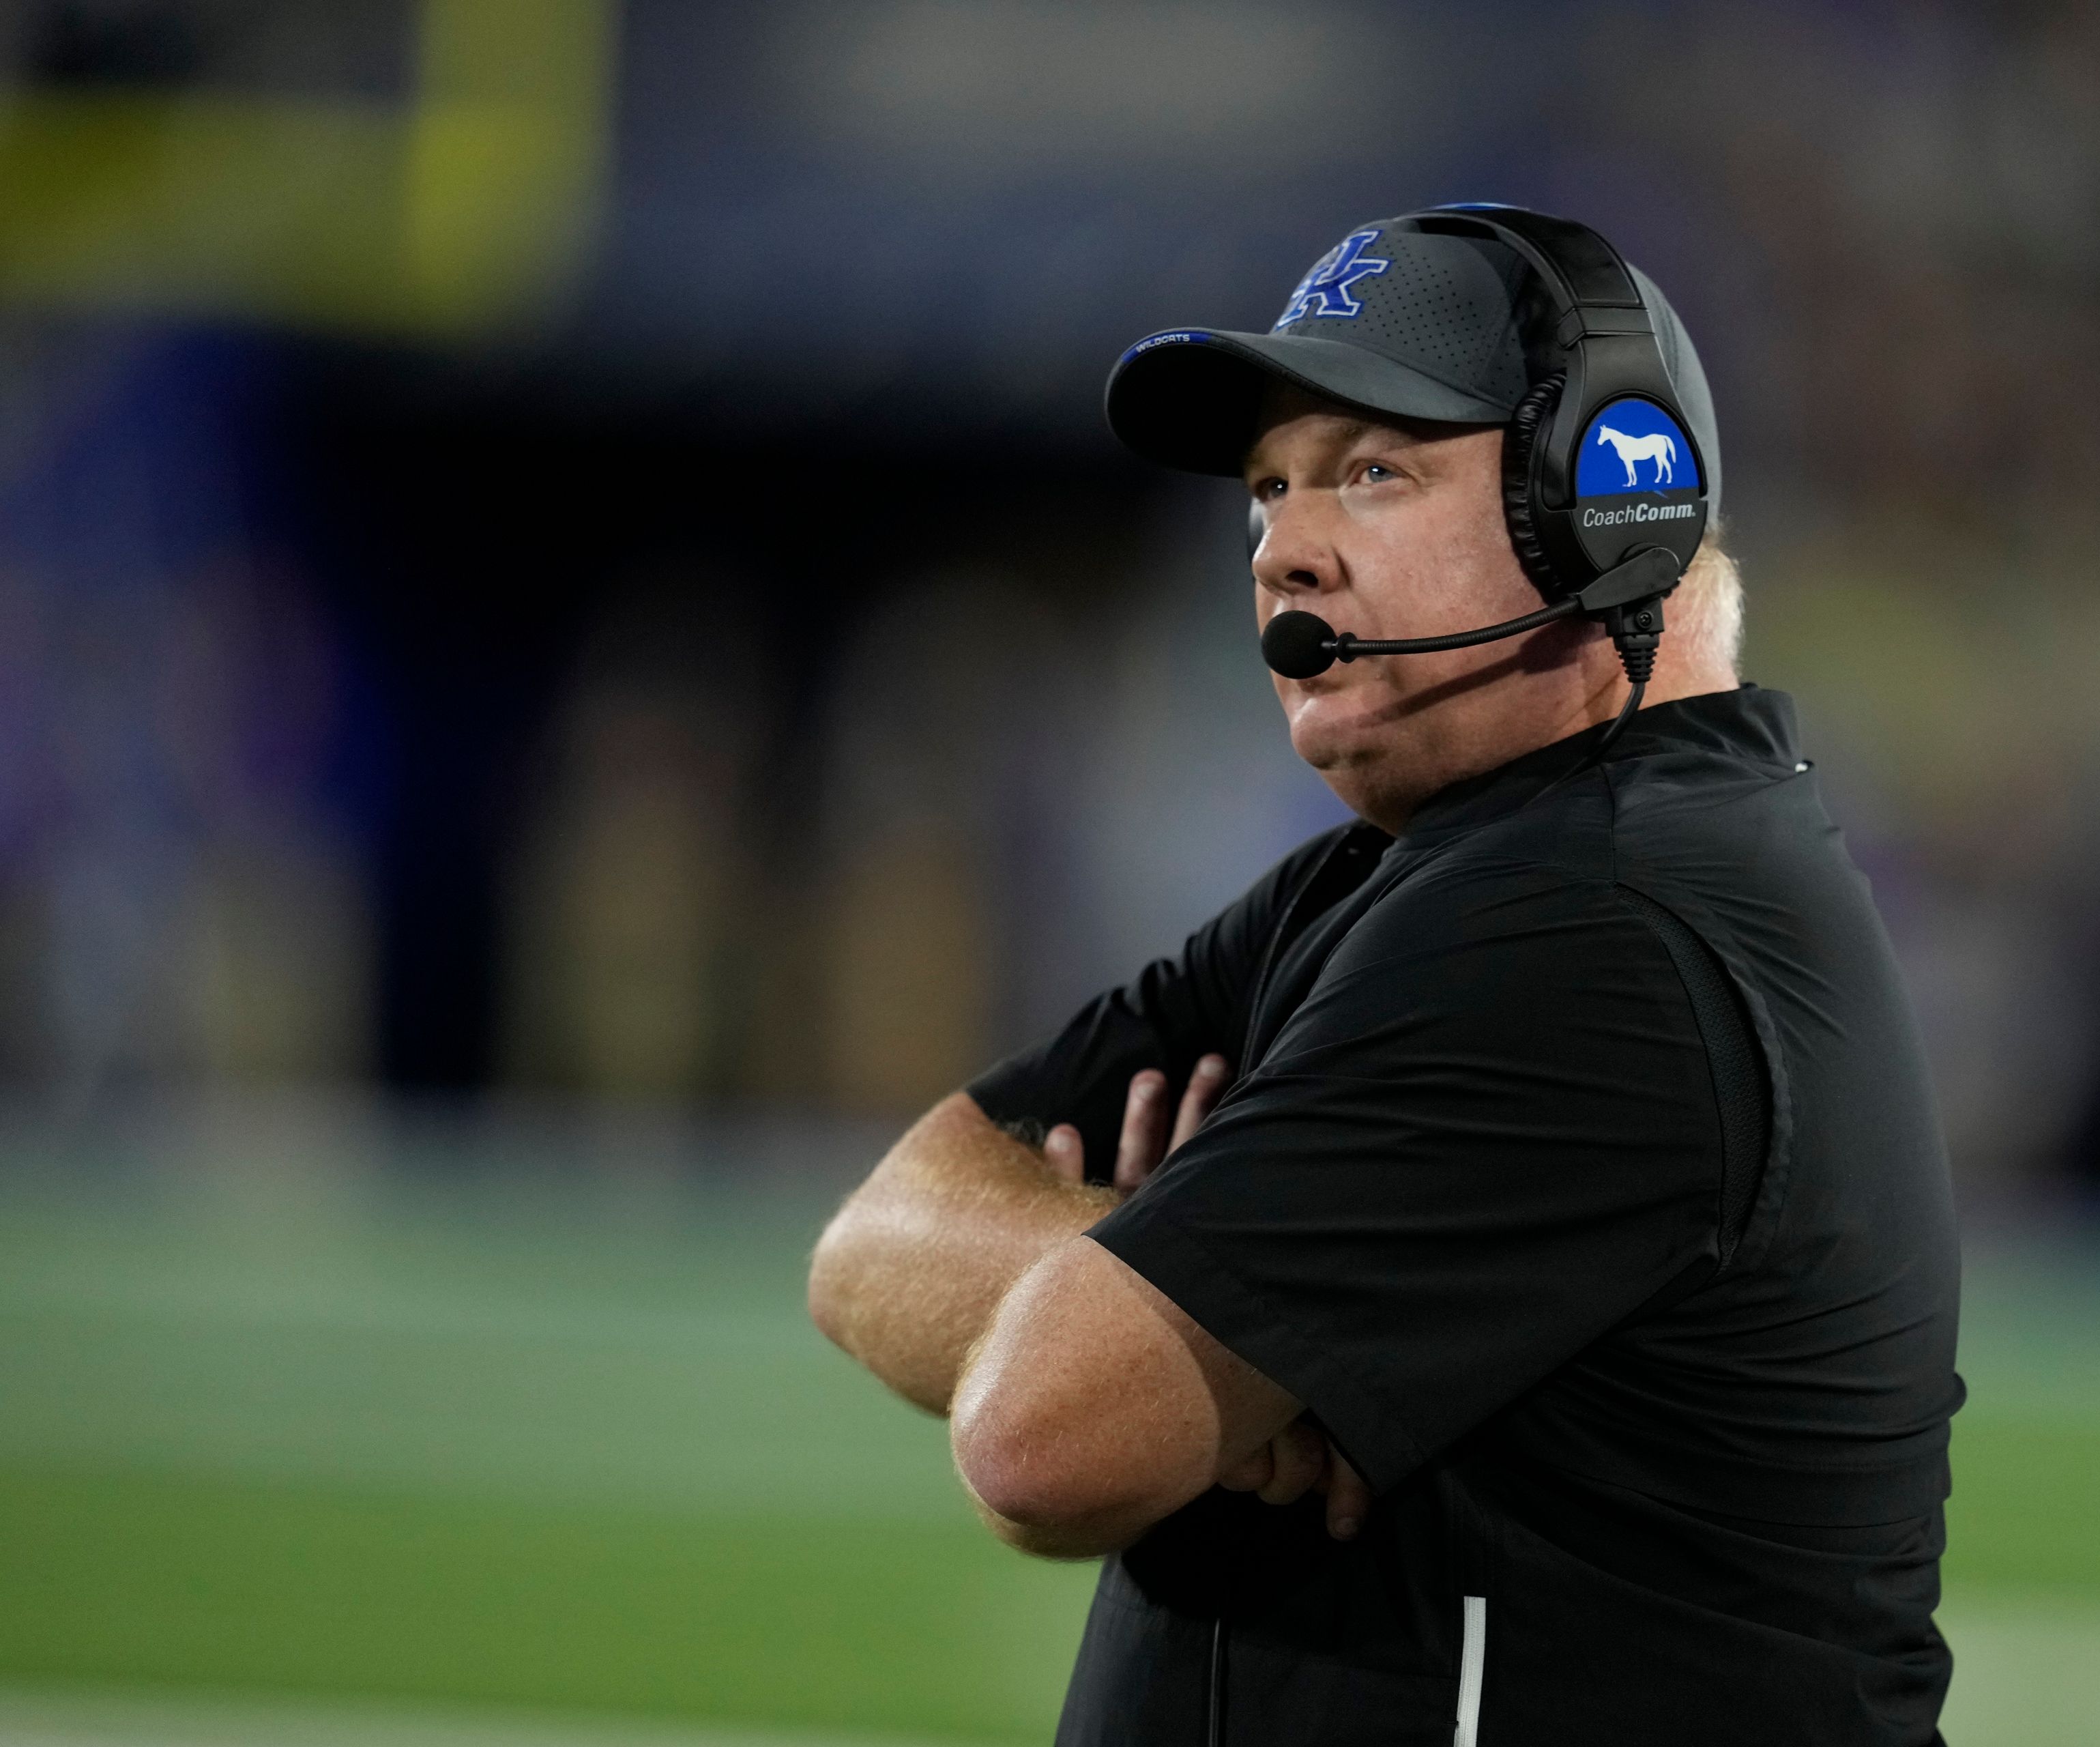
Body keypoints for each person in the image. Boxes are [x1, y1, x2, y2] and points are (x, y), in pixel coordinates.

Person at [808, 208, 1964, 1746]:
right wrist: (1154, 1270)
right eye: (1269, 487)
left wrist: (1159, 1325)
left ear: (1605, 500)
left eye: (1373, 468)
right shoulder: (1418, 871)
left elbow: (1042, 1439)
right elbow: (874, 1237)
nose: (1285, 542)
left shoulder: (1593, 920)